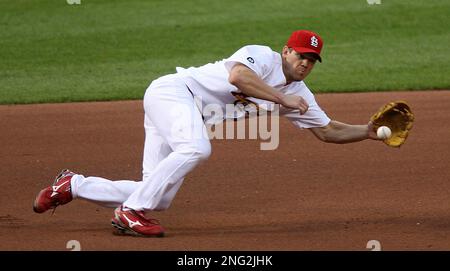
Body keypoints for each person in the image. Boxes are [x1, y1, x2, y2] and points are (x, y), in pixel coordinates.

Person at [33, 30, 379, 237]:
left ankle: (74, 185)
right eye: (301, 55)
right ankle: (129, 212)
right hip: (172, 93)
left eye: (312, 59)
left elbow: (329, 131)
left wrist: (368, 132)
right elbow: (238, 78)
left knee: (159, 194)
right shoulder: (263, 56)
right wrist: (280, 98)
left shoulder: (301, 95)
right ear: (286, 51)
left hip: (184, 114)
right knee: (198, 148)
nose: (305, 63)